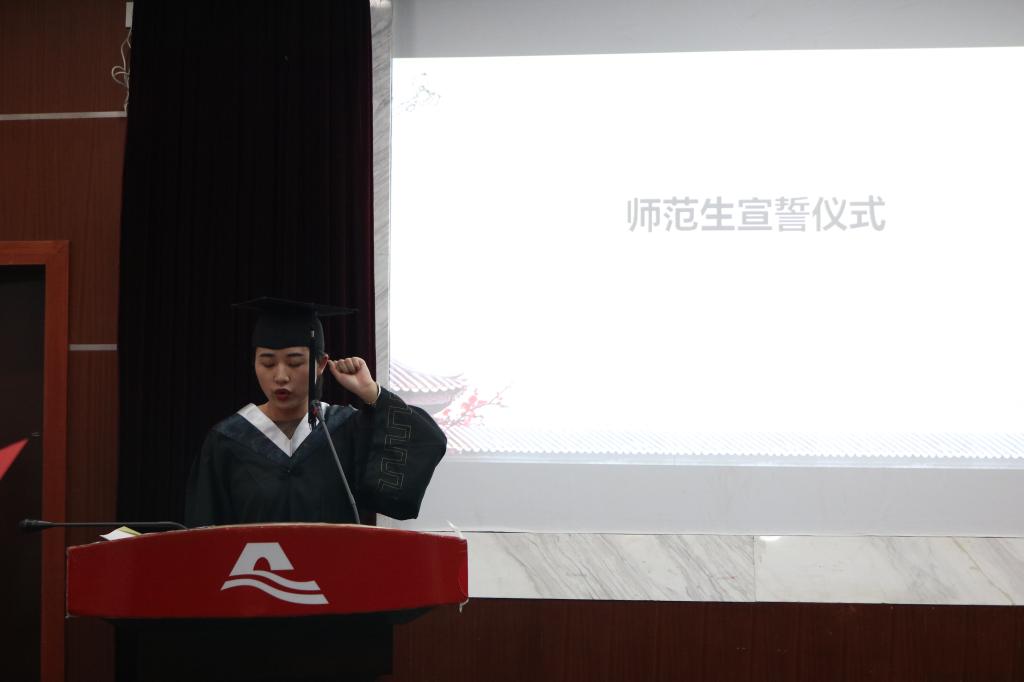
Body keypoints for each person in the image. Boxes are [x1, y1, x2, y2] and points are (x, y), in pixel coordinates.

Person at [184, 297, 446, 527]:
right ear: (254, 363)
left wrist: (370, 392)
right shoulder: (228, 440)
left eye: (295, 362)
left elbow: (427, 441)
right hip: (254, 569)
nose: (281, 376)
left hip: (334, 568)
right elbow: (204, 529)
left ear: (321, 364)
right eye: (268, 363)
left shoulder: (345, 429)